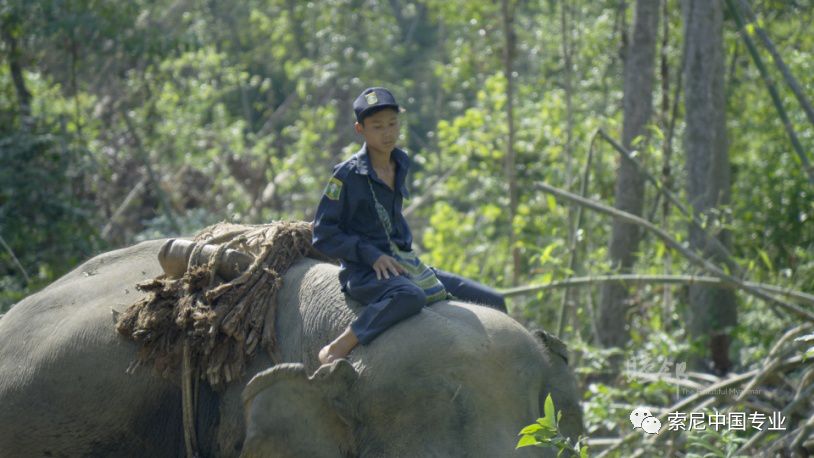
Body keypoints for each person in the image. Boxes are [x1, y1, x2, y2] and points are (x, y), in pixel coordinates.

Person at [312, 87, 506, 365]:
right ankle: (341, 344)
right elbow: (323, 234)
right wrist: (370, 254)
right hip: (366, 272)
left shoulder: (400, 161)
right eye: (377, 127)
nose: (387, 133)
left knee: (493, 300)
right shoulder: (346, 175)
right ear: (360, 129)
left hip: (406, 265)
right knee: (410, 296)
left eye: (392, 124)